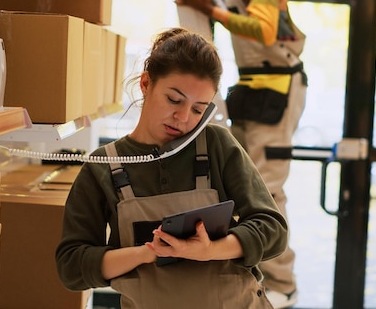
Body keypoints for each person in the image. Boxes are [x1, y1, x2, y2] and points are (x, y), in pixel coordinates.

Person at [55, 27, 288, 309]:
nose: (182, 117)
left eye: (198, 109)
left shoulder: (216, 145)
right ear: (145, 83)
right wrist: (146, 253)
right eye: (174, 100)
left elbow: (273, 229)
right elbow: (71, 265)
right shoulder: (102, 166)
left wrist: (210, 250)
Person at [172, 0, 308, 308]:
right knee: (245, 188)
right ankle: (261, 276)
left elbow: (264, 30)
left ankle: (283, 283)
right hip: (253, 87)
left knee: (267, 191)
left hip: (275, 87)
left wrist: (210, 10)